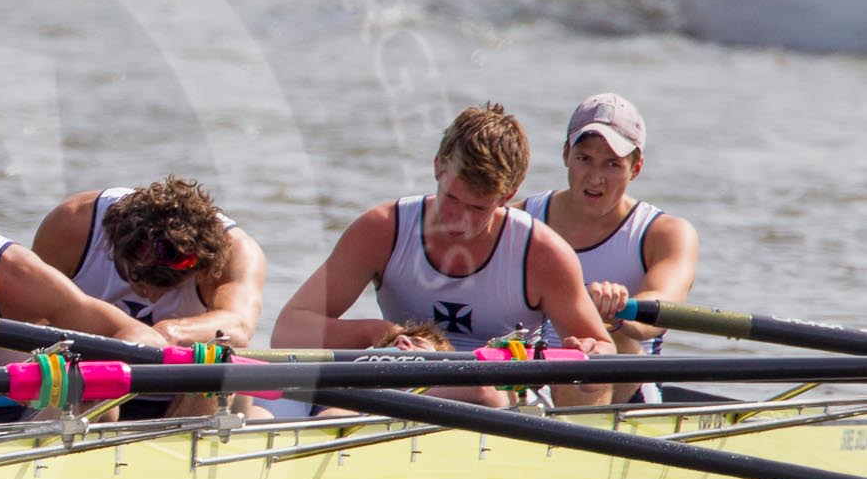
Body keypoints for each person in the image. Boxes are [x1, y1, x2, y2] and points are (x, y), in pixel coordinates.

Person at [272, 102, 614, 407]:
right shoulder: (383, 230)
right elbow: (288, 330)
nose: (458, 221)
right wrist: (378, 334)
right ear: (438, 167)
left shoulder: (542, 254)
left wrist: (587, 355)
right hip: (400, 380)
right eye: (451, 198)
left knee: (480, 392)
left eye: (478, 208)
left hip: (501, 400)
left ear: (508, 195)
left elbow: (602, 353)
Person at [32, 175, 268, 418]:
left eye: (168, 286)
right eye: (137, 278)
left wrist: (168, 334)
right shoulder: (72, 225)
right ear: (116, 247)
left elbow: (239, 326)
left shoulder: (237, 251)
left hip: (180, 393)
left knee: (221, 364)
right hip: (93, 385)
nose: (150, 295)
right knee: (90, 382)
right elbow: (32, 317)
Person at [522, 93, 698, 403]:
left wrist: (619, 313)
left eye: (612, 164)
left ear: (637, 167)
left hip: (625, 394)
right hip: (532, 382)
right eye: (584, 159)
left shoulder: (665, 234)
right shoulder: (521, 219)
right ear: (565, 154)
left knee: (599, 335)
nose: (595, 178)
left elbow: (660, 313)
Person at [0, 232, 169, 424]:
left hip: (22, 417)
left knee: (94, 398)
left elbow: (145, 338)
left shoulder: (14, 274)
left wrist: (83, 374)